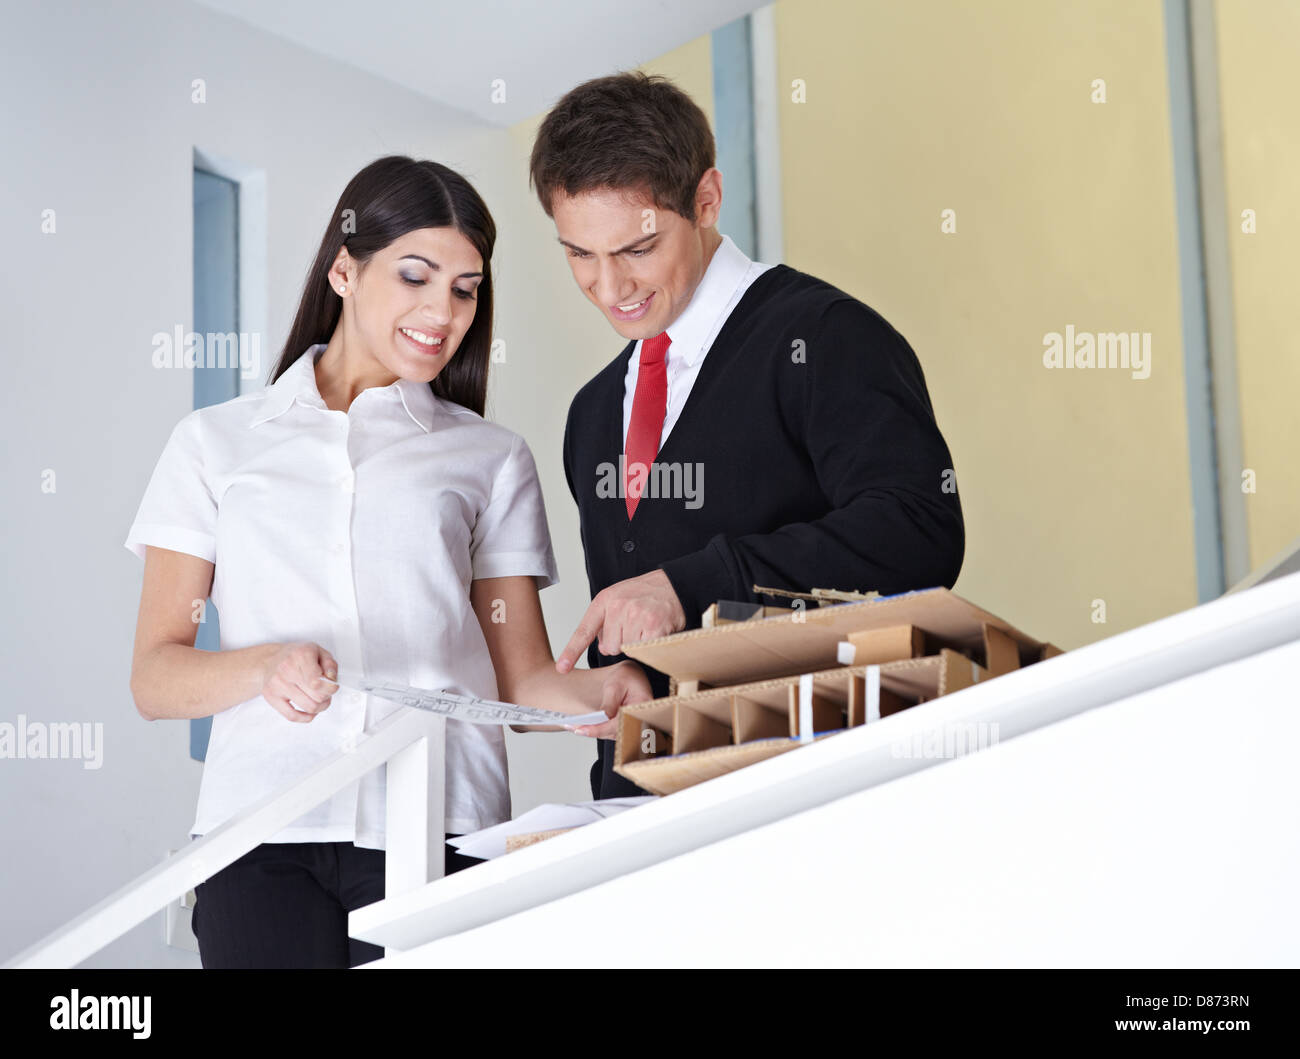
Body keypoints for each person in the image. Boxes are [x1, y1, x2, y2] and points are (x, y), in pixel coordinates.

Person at [125, 155, 650, 968]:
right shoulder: (214, 444)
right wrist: (263, 666)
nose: (443, 312)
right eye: (415, 276)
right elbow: (156, 678)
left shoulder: (490, 457)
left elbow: (519, 680)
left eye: (466, 288)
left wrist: (603, 693)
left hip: (443, 827)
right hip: (263, 830)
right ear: (344, 269)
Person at [528, 73, 965, 799]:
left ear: (706, 200)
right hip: (644, 821)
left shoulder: (824, 336)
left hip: (815, 796)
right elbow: (643, 631)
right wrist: (628, 675)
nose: (610, 289)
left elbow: (920, 531)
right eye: (579, 254)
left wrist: (692, 584)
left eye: (637, 248)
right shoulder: (592, 414)